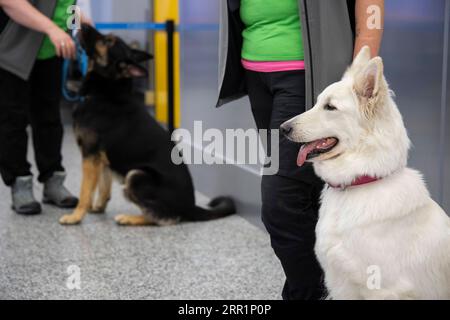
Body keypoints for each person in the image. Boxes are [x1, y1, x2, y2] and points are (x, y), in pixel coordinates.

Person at [218, 0, 384, 299]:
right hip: (257, 72)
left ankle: (309, 294)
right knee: (306, 194)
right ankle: (332, 288)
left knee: (282, 202)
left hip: (309, 76)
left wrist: (357, 77)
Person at [0, 0, 90, 215]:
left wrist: (80, 22)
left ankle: (52, 180)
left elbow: (62, 6)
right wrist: (51, 28)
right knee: (12, 119)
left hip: (50, 52)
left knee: (49, 118)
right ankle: (19, 183)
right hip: (12, 51)